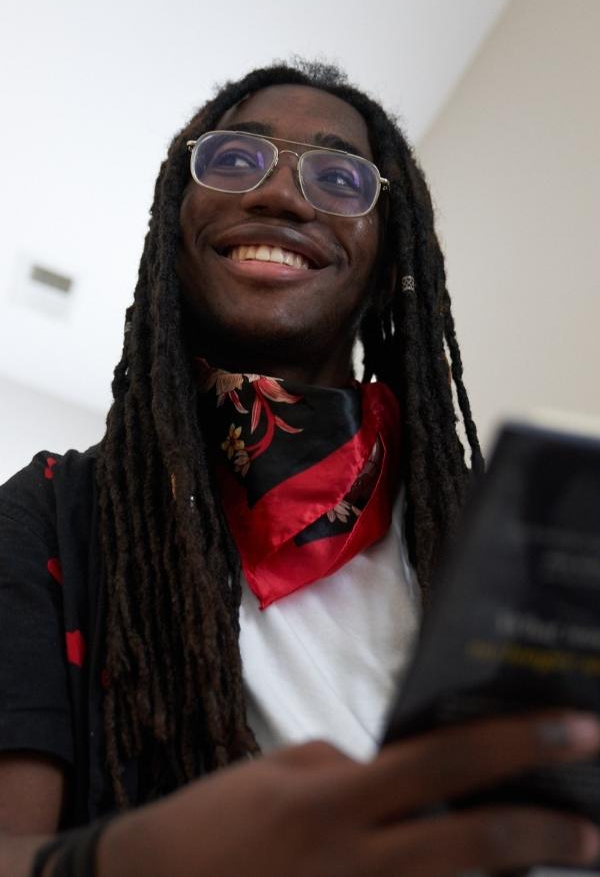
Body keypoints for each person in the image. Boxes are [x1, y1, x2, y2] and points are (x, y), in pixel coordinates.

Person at [1, 60, 600, 877]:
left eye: (340, 177)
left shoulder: (493, 539)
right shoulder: (49, 517)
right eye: (237, 160)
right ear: (174, 233)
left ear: (390, 261)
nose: (280, 195)